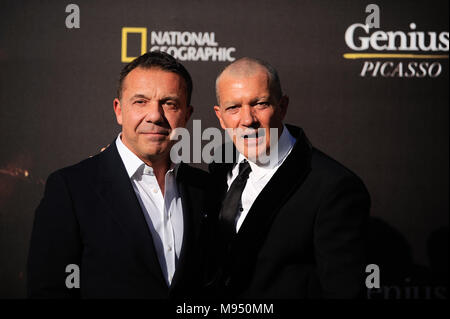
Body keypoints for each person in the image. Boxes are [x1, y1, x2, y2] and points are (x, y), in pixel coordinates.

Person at [27, 51, 210, 298]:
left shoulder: (205, 189)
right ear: (119, 110)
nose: (155, 115)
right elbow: (48, 291)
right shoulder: (72, 189)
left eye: (169, 103)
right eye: (140, 102)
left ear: (187, 115)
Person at [206, 57, 371, 298]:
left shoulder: (334, 187)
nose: (247, 120)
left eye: (260, 104)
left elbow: (344, 292)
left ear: (282, 106)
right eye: (233, 108)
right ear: (220, 117)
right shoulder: (218, 166)